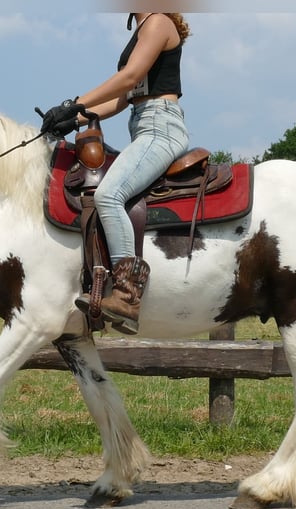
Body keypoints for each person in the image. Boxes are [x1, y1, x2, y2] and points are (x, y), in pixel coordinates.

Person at [40, 12, 191, 335]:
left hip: (160, 128)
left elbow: (129, 76)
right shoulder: (142, 29)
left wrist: (73, 103)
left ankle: (126, 296)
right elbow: (123, 99)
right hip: (143, 123)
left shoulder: (158, 21)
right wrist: (75, 119)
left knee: (109, 195)